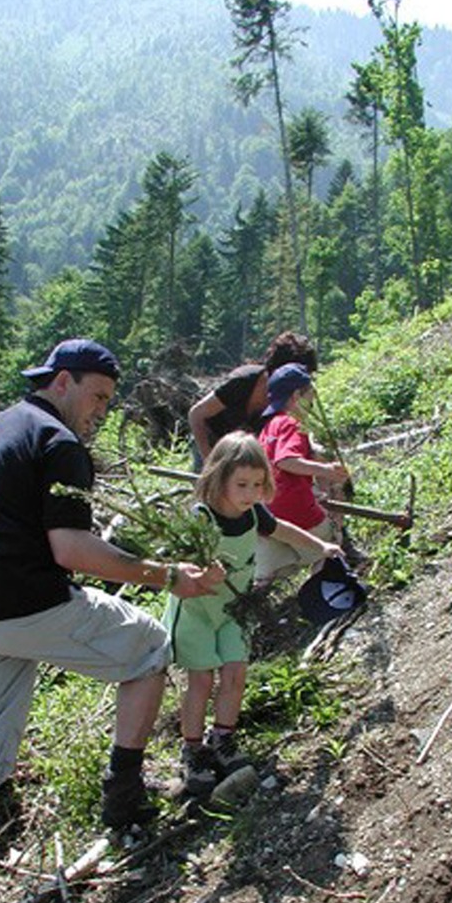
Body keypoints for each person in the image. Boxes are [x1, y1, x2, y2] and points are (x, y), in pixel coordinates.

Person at [0, 338, 224, 903]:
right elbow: (69, 548)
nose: (100, 412)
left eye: (108, 402)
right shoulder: (58, 443)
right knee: (150, 644)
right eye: (96, 396)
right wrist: (169, 575)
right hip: (23, 602)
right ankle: (123, 793)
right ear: (62, 381)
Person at [164, 431, 342, 801]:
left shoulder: (254, 513)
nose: (249, 493)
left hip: (234, 609)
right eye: (241, 484)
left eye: (258, 484)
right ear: (219, 478)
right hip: (196, 612)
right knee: (200, 680)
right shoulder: (202, 516)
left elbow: (283, 529)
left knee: (235, 672)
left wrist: (320, 544)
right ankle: (193, 750)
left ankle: (223, 738)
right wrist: (200, 572)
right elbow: (179, 560)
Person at [255, 363, 350, 583]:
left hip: (269, 511)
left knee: (270, 568)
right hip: (296, 507)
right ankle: (323, 593)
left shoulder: (269, 427)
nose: (313, 400)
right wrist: (325, 470)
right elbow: (286, 460)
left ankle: (268, 594)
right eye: (310, 393)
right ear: (297, 395)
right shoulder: (292, 423)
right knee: (329, 541)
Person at [187, 331, 318, 464]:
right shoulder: (243, 381)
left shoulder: (288, 401)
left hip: (242, 450)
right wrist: (208, 459)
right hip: (208, 440)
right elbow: (196, 414)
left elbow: (295, 435)